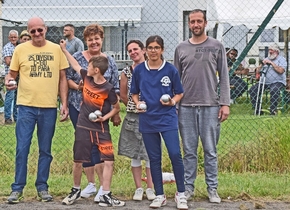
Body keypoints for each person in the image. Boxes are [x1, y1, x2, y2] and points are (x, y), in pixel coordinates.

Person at [5, 16, 69, 204]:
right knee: (22, 149)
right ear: (28, 32)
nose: (37, 34)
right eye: (32, 31)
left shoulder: (56, 49)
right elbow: (12, 74)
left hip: (49, 107)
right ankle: (17, 188)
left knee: (45, 150)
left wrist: (63, 103)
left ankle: (42, 186)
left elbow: (62, 77)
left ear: (46, 29)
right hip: (25, 107)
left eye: (39, 30)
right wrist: (8, 81)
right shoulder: (20, 50)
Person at [174, 9, 230, 203]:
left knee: (210, 150)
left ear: (205, 23)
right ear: (189, 24)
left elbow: (224, 76)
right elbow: (176, 80)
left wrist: (225, 103)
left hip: (210, 106)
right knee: (188, 151)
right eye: (192, 22)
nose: (196, 25)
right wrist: (175, 103)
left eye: (199, 21)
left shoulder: (216, 46)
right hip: (186, 107)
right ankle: (188, 188)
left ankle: (212, 189)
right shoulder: (181, 48)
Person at [60, 41, 125, 207]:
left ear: (96, 70)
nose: (86, 67)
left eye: (89, 66)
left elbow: (116, 107)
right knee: (78, 160)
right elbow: (74, 64)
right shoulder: (86, 78)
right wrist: (64, 50)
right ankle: (75, 190)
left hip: (101, 129)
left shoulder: (108, 88)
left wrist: (105, 117)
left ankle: (106, 194)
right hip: (83, 127)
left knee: (109, 161)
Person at [130, 35, 188, 209]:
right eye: (150, 48)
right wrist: (138, 103)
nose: (153, 51)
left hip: (167, 117)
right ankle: (160, 195)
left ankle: (181, 193)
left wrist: (172, 101)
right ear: (146, 50)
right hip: (148, 119)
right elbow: (134, 92)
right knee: (154, 158)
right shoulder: (139, 70)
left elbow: (179, 92)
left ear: (162, 50)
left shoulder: (170, 70)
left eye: (157, 47)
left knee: (175, 154)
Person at [118, 40, 156, 201]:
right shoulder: (126, 72)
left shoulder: (152, 68)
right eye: (130, 50)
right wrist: (134, 106)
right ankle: (138, 188)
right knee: (135, 154)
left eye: (136, 49)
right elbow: (123, 95)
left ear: (144, 50)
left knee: (150, 155)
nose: (133, 52)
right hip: (133, 116)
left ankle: (151, 188)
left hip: (151, 116)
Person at [249, 44, 287, 115]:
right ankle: (258, 110)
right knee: (253, 90)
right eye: (269, 50)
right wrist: (261, 64)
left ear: (276, 51)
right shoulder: (266, 59)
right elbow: (257, 71)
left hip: (277, 81)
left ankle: (273, 110)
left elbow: (281, 71)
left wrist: (272, 63)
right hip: (264, 82)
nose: (270, 52)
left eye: (271, 50)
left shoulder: (282, 59)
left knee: (274, 89)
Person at [2, 30, 18, 124]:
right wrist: (19, 62)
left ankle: (16, 117)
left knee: (17, 98)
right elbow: (8, 62)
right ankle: (8, 117)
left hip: (19, 75)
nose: (13, 39)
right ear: (8, 38)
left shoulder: (18, 47)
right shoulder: (8, 47)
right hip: (11, 75)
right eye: (11, 37)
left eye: (15, 37)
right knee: (10, 96)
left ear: (17, 37)